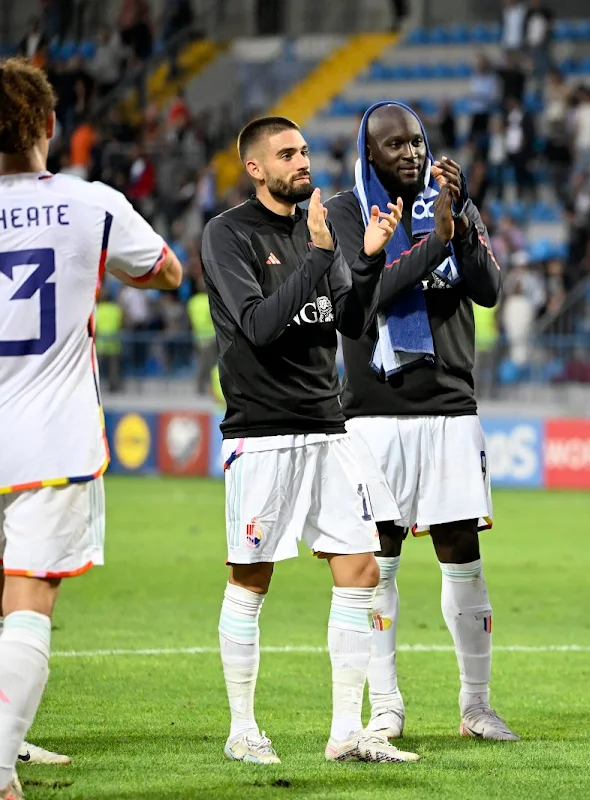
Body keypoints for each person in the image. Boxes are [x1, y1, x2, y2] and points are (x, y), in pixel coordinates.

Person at [200, 115, 419, 766]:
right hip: (262, 430)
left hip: (328, 426)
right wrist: (322, 257)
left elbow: (352, 320)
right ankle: (243, 730)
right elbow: (258, 327)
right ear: (255, 168)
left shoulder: (312, 229)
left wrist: (371, 257)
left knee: (361, 569)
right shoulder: (228, 235)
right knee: (252, 577)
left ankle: (345, 734)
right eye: (286, 153)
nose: (302, 161)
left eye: (304, 150)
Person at [0, 58, 184, 800]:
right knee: (28, 599)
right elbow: (167, 271)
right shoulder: (91, 203)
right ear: (51, 127)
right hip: (51, 438)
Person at [323, 102, 515, 742]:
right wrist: (434, 242)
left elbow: (487, 289)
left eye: (417, 142)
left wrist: (456, 226)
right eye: (394, 145)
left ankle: (476, 706)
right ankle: (387, 706)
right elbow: (368, 293)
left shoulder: (451, 204)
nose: (409, 153)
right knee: (379, 562)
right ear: (369, 154)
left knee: (464, 556)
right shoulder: (348, 212)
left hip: (451, 405)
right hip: (375, 411)